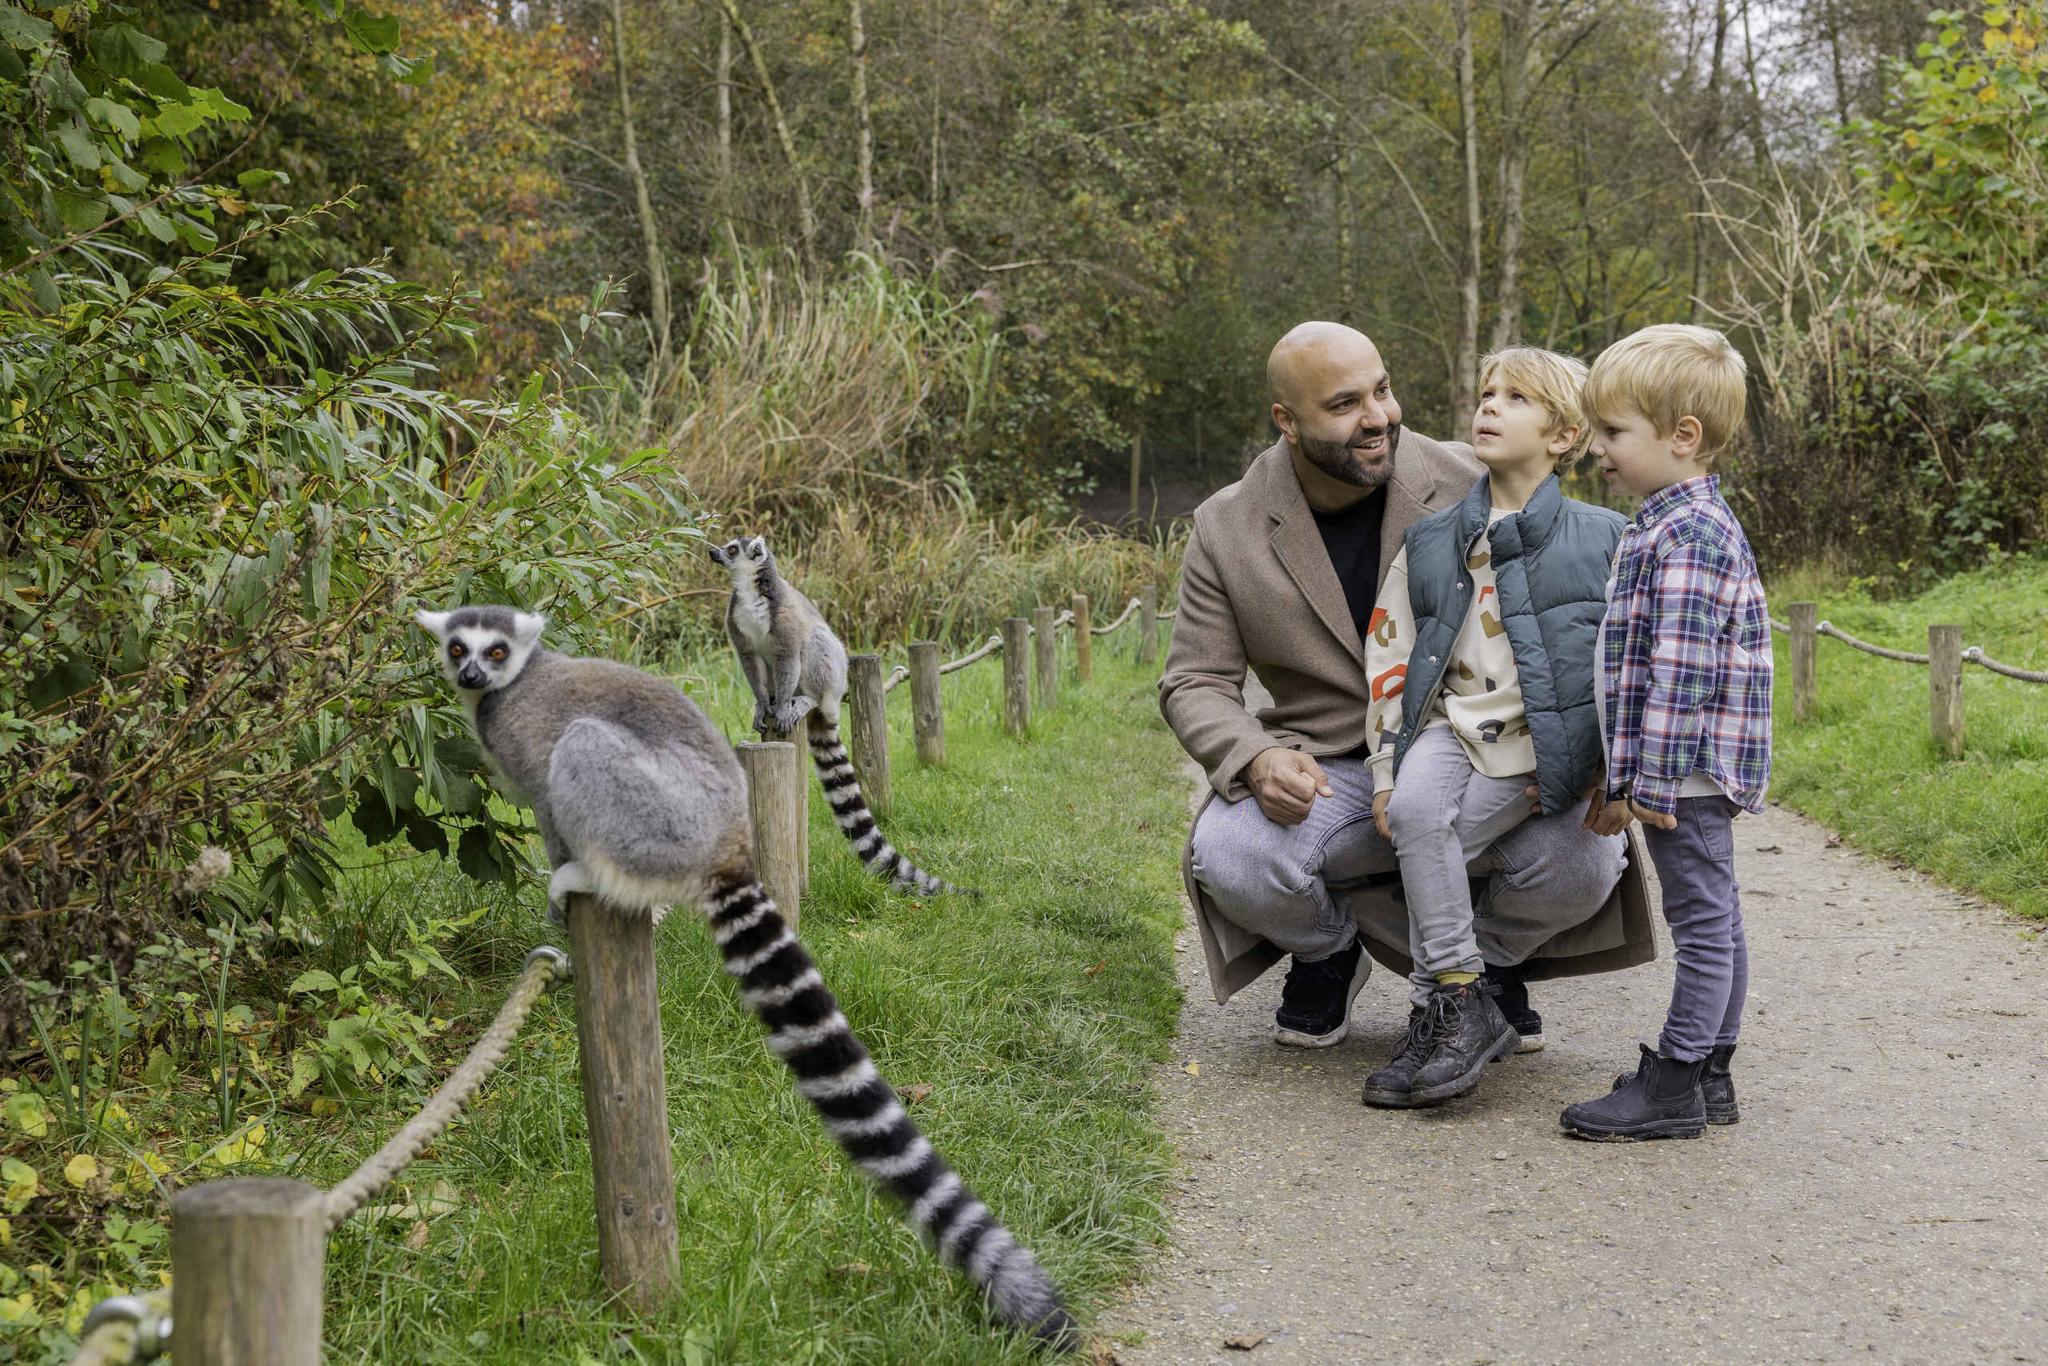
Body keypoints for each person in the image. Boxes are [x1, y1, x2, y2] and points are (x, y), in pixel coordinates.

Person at [1160, 322, 1654, 1104]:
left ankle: (1479, 976)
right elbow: (1194, 679)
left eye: (1383, 391)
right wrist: (1255, 757)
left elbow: (1587, 627)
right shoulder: (1227, 525)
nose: (1379, 417)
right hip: (1334, 767)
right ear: (1287, 421)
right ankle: (1328, 952)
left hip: (1487, 750)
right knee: (1233, 857)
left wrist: (1601, 758)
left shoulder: (1476, 474)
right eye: (1344, 405)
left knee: (1588, 859)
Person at [1357, 347, 1626, 1109]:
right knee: (1415, 815)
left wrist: (1617, 771)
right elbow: (1390, 655)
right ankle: (1463, 1001)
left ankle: (1436, 1011)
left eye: (1516, 398)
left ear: (1564, 435)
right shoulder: (1430, 539)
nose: (1490, 407)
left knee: (1433, 844)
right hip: (1448, 727)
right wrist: (1385, 768)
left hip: (1539, 745)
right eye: (1486, 393)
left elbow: (1629, 663)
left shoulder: (1608, 537)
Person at [1559, 323, 1772, 1141]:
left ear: (1682, 436)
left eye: (1614, 432)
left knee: (1703, 924)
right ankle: (1711, 1074)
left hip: (1683, 775)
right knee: (1718, 914)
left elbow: (1680, 675)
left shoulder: (1688, 534)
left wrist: (1645, 786)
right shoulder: (1668, 521)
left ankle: (1678, 1080)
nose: (1598, 450)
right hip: (1680, 771)